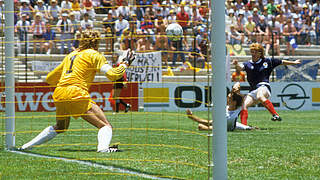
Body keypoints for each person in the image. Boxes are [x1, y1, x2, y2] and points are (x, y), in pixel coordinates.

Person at [19, 29, 136, 153]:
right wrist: (125, 63)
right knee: (105, 125)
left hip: (59, 92)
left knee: (61, 126)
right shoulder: (94, 55)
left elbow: (49, 78)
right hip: (76, 93)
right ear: (97, 43)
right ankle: (103, 149)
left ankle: (25, 147)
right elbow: (113, 74)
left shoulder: (70, 56)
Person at [233, 43, 301, 125]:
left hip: (264, 86)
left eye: (255, 52)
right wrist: (236, 64)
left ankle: (275, 115)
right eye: (252, 52)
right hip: (253, 90)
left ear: (260, 53)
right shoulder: (248, 64)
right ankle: (244, 126)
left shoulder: (268, 61)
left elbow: (282, 62)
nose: (253, 54)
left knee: (260, 95)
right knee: (244, 105)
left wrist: (294, 63)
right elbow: (240, 68)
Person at [186, 82, 254, 131]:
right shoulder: (226, 108)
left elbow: (208, 122)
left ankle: (248, 127)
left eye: (229, 98)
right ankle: (248, 127)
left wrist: (192, 117)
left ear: (234, 102)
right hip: (230, 125)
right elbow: (237, 83)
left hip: (225, 127)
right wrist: (234, 88)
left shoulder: (234, 111)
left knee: (201, 127)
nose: (227, 99)